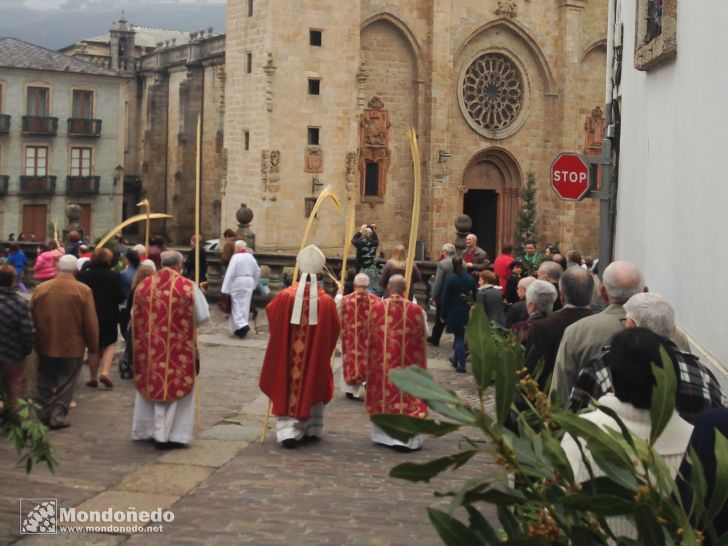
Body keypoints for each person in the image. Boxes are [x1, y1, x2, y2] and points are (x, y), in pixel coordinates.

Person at [560, 328, 693, 539]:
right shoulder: (699, 444)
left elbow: (558, 515)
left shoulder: (581, 435)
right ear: (672, 380)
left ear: (612, 381)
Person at [569, 293, 725, 422]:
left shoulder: (599, 367)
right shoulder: (703, 375)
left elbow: (574, 418)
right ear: (673, 331)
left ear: (630, 325)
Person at [259, 245, 340, 448]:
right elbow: (334, 330)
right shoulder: (326, 302)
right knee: (312, 378)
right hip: (313, 357)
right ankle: (312, 428)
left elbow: (271, 314)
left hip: (287, 355)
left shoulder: (285, 296)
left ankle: (288, 432)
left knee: (286, 382)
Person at [131, 250, 209, 449]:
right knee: (176, 387)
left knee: (152, 384)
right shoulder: (188, 286)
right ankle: (175, 435)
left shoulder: (144, 285)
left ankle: (149, 430)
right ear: (180, 265)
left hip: (151, 348)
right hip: (179, 348)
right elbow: (203, 317)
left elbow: (134, 314)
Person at [551, 260, 645, 403]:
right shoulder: (673, 335)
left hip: (589, 422)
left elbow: (560, 394)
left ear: (603, 292)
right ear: (645, 292)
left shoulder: (577, 332)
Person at [30, 255, 98, 429]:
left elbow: (31, 316)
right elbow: (89, 321)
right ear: (75, 270)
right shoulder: (83, 290)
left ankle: (44, 412)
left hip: (45, 341)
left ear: (57, 268)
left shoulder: (41, 288)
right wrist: (93, 345)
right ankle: (58, 415)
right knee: (66, 382)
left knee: (45, 380)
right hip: (72, 343)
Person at [367, 274, 428, 450]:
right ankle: (405, 439)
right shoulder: (416, 311)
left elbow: (369, 336)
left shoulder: (377, 308)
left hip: (383, 365)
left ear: (388, 288)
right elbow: (424, 333)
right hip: (408, 363)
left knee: (385, 396)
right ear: (405, 289)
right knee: (407, 398)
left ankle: (384, 436)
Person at [523, 266, 594, 389]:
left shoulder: (541, 327)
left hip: (551, 398)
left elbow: (533, 371)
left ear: (561, 296)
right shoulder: (600, 324)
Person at [77, 248, 125, 388]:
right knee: (110, 343)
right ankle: (105, 372)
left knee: (93, 346)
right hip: (109, 314)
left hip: (89, 314)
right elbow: (121, 296)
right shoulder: (115, 276)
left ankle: (93, 377)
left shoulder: (83, 276)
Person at [338, 273, 380, 400]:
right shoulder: (377, 301)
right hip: (369, 339)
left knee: (351, 360)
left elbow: (335, 312)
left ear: (355, 285)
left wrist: (339, 294)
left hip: (351, 338)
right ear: (368, 285)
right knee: (369, 361)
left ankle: (350, 390)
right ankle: (368, 383)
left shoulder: (345, 300)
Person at [0, 265, 35, 410]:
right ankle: (14, 417)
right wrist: (26, 350)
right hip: (12, 352)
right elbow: (27, 331)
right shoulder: (19, 303)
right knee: (15, 384)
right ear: (13, 281)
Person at [119, 264, 156, 380]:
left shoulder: (134, 289)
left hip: (136, 318)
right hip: (151, 319)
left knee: (132, 341)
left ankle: (129, 361)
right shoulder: (155, 289)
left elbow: (129, 305)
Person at [441, 256, 477, 373]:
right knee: (460, 335)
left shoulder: (450, 278)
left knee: (459, 337)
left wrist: (443, 314)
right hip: (464, 310)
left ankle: (461, 363)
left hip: (453, 310)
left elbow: (445, 298)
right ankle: (455, 358)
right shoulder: (470, 279)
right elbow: (475, 294)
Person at [221, 240, 260, 338]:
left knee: (236, 305)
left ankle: (242, 325)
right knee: (245, 305)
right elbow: (257, 271)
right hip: (249, 281)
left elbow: (230, 273)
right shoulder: (250, 257)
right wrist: (254, 283)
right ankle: (238, 329)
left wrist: (225, 289)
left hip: (238, 281)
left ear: (237, 248)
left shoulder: (236, 257)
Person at [428, 243, 455, 347]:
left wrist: (434, 296)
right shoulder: (462, 262)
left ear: (445, 252)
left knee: (440, 318)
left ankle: (435, 338)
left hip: (444, 295)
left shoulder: (442, 264)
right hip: (457, 294)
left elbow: (438, 282)